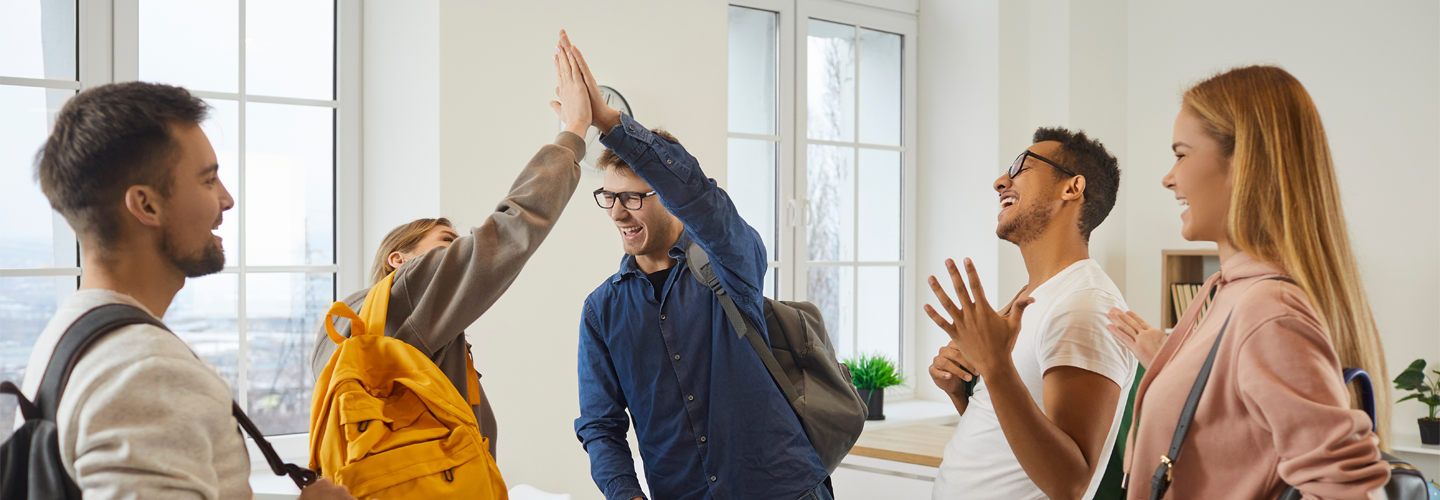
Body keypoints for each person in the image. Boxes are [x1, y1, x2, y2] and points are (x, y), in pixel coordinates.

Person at [20, 81, 355, 499]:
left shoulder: (66, 337)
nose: (227, 199)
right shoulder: (147, 374)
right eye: (209, 180)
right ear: (146, 205)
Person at [563, 35, 831, 500]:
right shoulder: (601, 310)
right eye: (608, 197)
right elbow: (601, 425)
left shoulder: (729, 263)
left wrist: (610, 124)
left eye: (632, 197)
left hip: (782, 490)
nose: (617, 213)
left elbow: (704, 202)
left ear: (667, 198)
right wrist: (625, 493)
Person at [1104, 65, 1389, 499]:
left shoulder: (1267, 309)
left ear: (1242, 164)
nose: (1169, 177)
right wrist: (1173, 364)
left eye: (1181, 154)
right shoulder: (1227, 293)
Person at [308, 32, 594, 459]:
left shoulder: (343, 326)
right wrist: (574, 130)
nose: (457, 253)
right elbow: (511, 228)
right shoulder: (406, 292)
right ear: (398, 259)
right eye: (445, 243)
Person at [924, 128, 1135, 500]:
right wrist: (964, 393)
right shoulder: (1035, 296)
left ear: (1072, 188)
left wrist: (995, 366)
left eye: (1021, 167)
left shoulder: (1085, 304)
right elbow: (1010, 449)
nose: (1000, 181)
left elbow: (1069, 483)